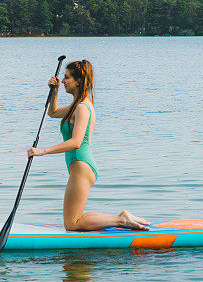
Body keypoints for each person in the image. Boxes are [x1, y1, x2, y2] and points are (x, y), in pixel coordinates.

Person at [27, 60, 151, 231]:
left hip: (82, 167)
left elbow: (76, 142)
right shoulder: (75, 107)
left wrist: (43, 151)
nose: (63, 81)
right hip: (79, 167)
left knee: (72, 223)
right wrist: (54, 91)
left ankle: (121, 220)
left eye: (66, 77)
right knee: (72, 222)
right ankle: (120, 218)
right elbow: (53, 112)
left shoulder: (83, 108)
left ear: (78, 81)